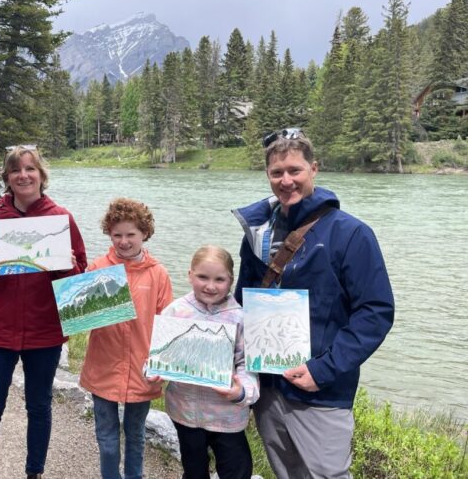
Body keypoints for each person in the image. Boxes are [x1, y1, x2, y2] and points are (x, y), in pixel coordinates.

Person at [232, 129, 395, 479]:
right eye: (277, 172)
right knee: (286, 472)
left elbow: (375, 312)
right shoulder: (257, 234)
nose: (286, 180)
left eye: (295, 170)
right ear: (267, 174)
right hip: (268, 385)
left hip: (321, 391)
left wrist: (323, 371)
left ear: (314, 169)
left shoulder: (351, 234)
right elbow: (240, 302)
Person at [0, 145, 87, 479]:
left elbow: (78, 278)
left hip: (44, 331)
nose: (23, 175)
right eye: (16, 170)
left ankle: (35, 472)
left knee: (39, 407)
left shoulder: (60, 218)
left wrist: (66, 265)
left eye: (30, 168)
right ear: (7, 178)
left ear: (41, 175)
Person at [80, 197, 173, 479]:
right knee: (107, 439)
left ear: (144, 233)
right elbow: (79, 317)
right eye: (116, 235)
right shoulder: (97, 268)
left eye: (130, 234)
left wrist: (161, 364)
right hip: (103, 367)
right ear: (109, 234)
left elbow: (167, 326)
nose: (123, 241)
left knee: (135, 435)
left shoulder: (158, 274)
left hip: (141, 369)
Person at [162, 245, 259, 479]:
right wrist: (152, 372)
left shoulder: (240, 317)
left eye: (219, 279)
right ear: (190, 275)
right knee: (194, 470)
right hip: (184, 412)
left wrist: (242, 392)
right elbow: (159, 355)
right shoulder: (175, 311)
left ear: (231, 280)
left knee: (238, 470)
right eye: (202, 277)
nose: (210, 286)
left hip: (228, 416)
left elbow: (247, 364)